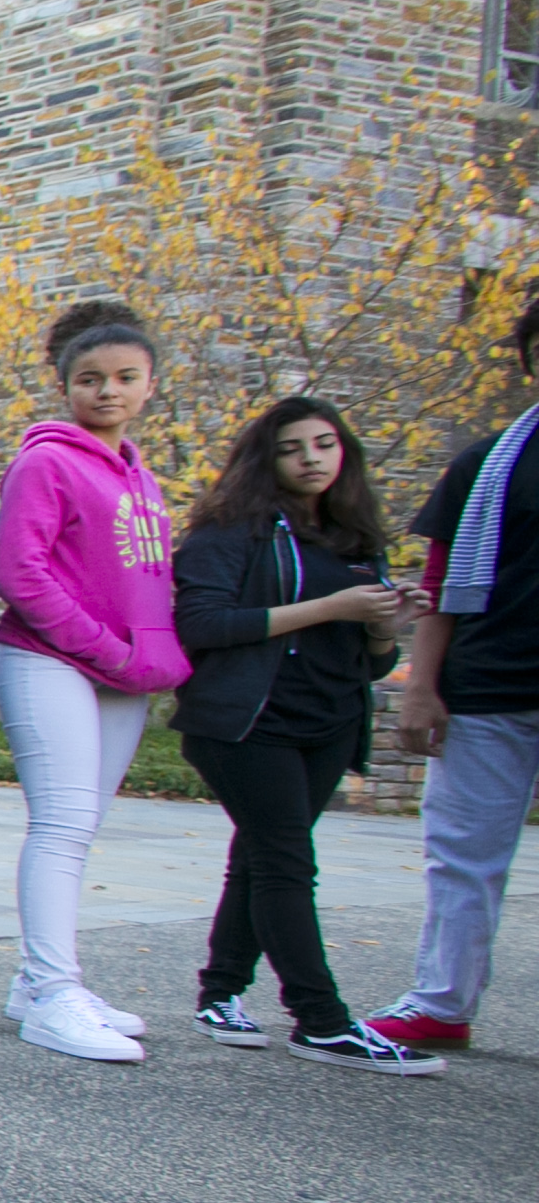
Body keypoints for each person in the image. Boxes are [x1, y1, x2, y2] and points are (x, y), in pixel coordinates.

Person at [171, 396, 429, 1071]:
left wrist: (384, 625)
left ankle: (220, 993)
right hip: (249, 723)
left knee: (262, 856)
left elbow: (373, 662)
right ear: (266, 459)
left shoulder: (354, 537)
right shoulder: (231, 531)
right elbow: (202, 625)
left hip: (330, 723)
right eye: (292, 448)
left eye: (324, 444)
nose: (311, 458)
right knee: (286, 863)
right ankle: (321, 1021)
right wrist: (329, 606)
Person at [0, 309, 188, 1062]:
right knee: (62, 825)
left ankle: (37, 982)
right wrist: (108, 649)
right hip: (49, 661)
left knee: (80, 829)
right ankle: (52, 994)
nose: (108, 391)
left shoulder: (141, 475)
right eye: (90, 379)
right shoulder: (46, 462)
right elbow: (20, 573)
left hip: (123, 675)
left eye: (125, 378)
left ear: (149, 386)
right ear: (66, 386)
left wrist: (144, 660)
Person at [366, 286, 539, 1055]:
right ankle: (441, 1003)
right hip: (487, 691)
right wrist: (422, 688)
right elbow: (438, 585)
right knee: (463, 858)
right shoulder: (488, 463)